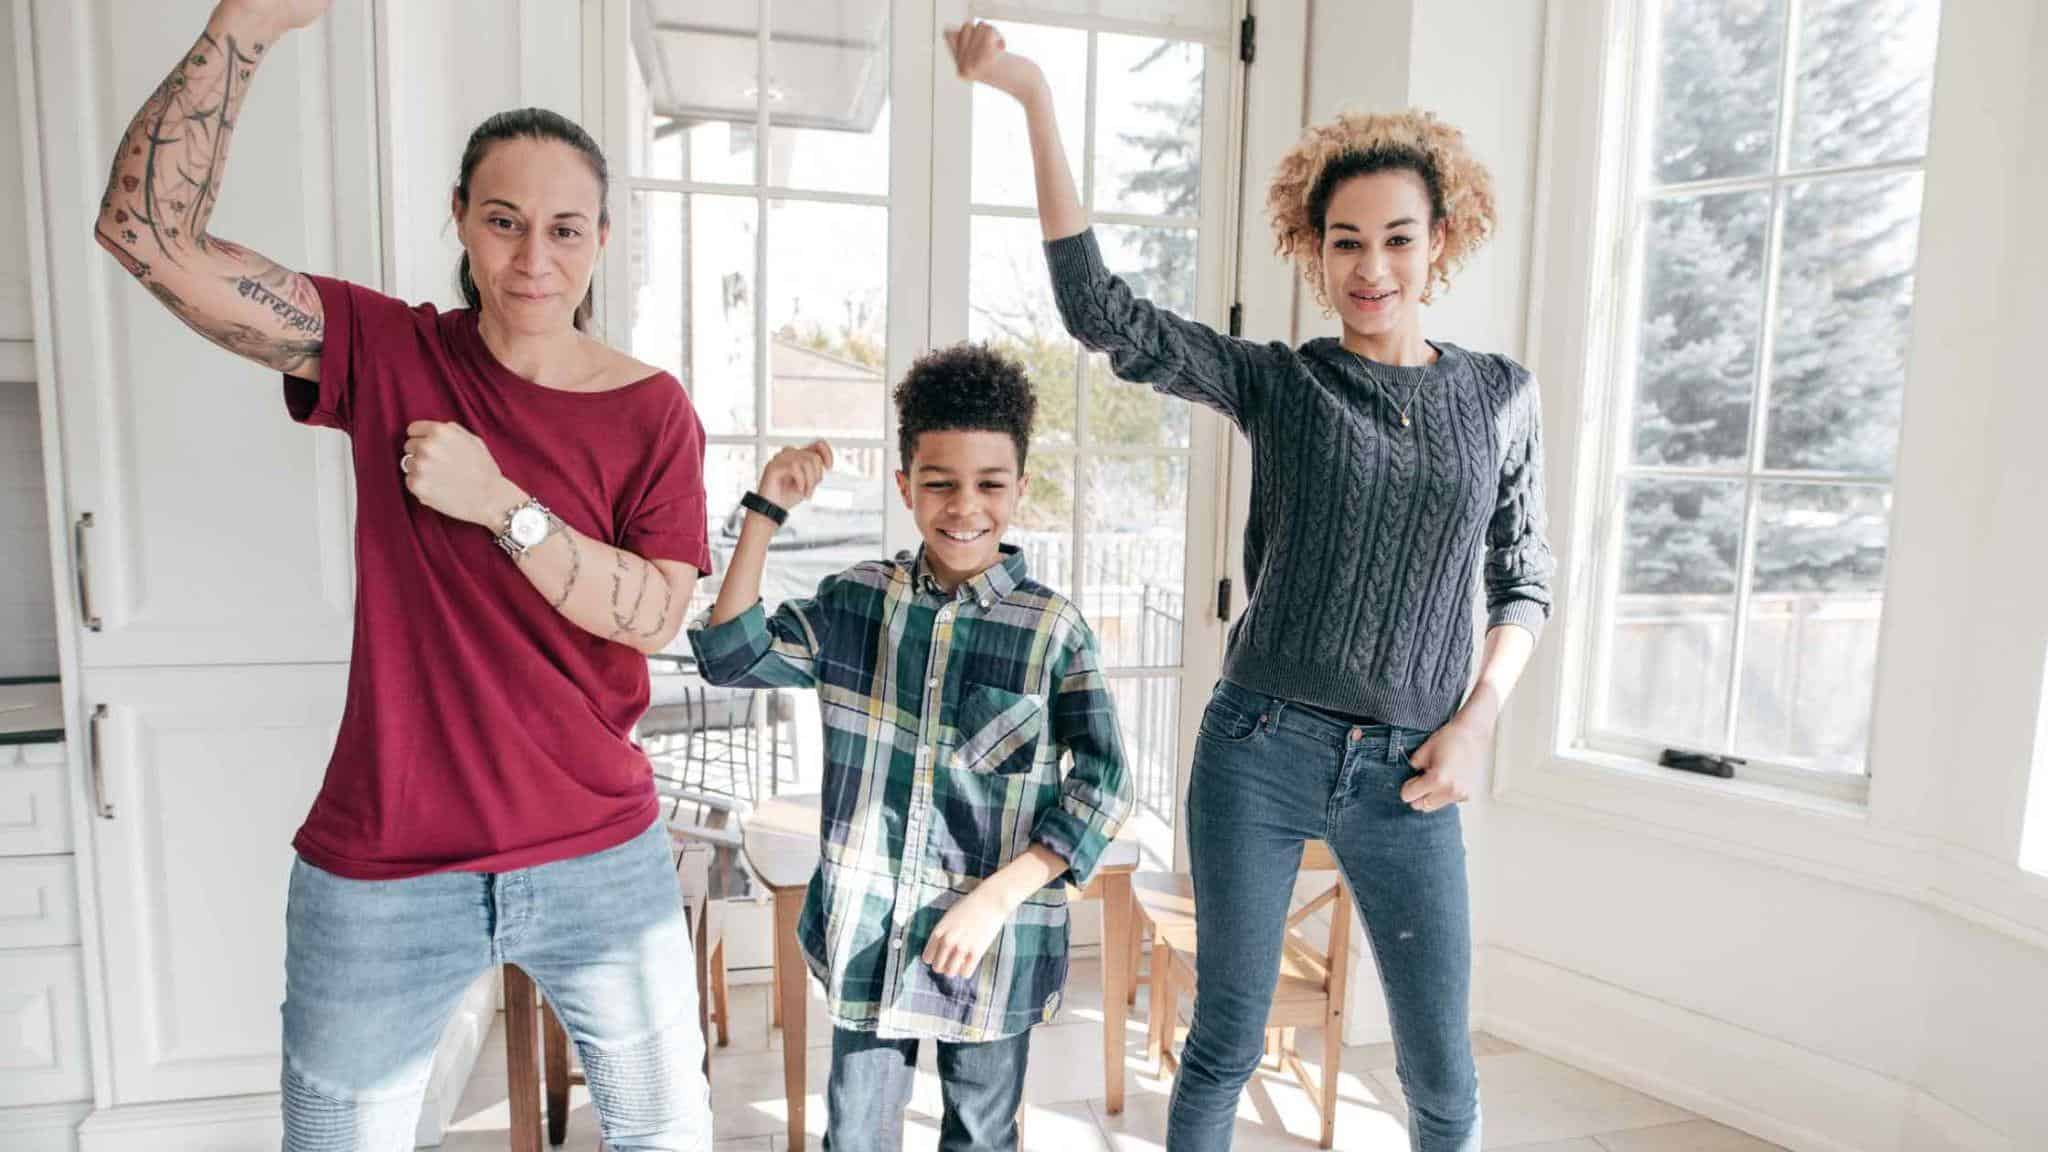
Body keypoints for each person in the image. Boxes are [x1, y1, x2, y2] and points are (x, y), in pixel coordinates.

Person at [93, 2, 714, 1147]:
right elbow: (148, 236)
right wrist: (245, 28)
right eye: (505, 221)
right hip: (387, 864)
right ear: (462, 224)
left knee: (668, 1132)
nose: (536, 258)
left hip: (597, 853)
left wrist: (501, 506)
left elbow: (660, 613)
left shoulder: (649, 410)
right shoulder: (386, 350)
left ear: (604, 240)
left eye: (567, 229)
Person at [948, 20, 1555, 1152]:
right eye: (1343, 242)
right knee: (1223, 1038)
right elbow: (1101, 316)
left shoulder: (1502, 398)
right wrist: (1031, 95)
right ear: (1311, 251)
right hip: (1258, 750)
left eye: (1395, 240)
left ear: (1441, 243)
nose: (1369, 268)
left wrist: (1475, 723)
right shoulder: (1280, 384)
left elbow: (1523, 578)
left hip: (1414, 771)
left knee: (1437, 1067)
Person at [688, 343, 1134, 1152]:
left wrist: (998, 896)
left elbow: (1103, 786)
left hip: (994, 944)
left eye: (990, 484)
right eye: (939, 483)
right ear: (905, 486)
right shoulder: (856, 601)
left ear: (1021, 488)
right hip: (868, 932)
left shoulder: (1052, 629)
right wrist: (765, 510)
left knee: (980, 1138)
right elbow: (732, 654)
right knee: (856, 1137)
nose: (965, 506)